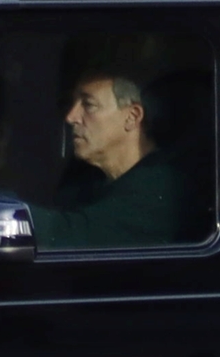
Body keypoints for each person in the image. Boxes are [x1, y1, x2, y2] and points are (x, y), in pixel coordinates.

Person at [28, 68, 194, 250]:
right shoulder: (85, 179)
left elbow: (67, 235)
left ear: (132, 117)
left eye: (89, 105)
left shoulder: (160, 189)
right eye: (73, 104)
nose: (70, 117)